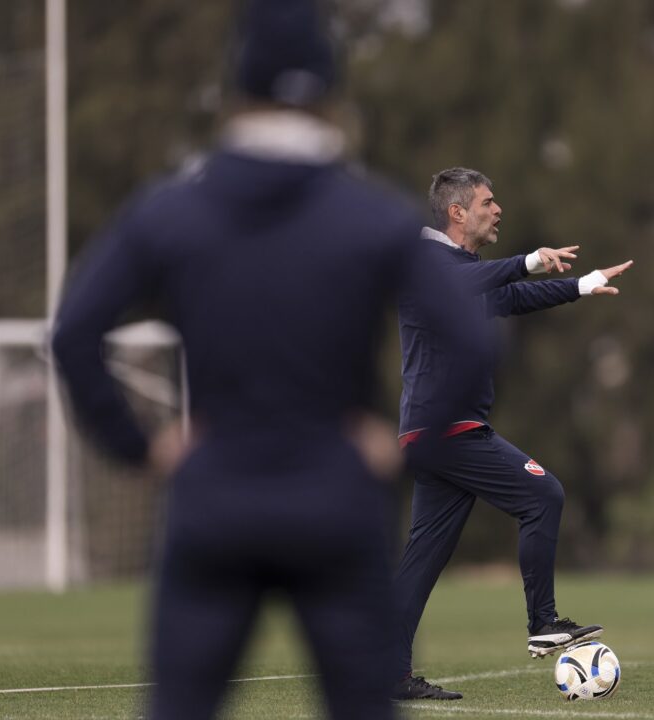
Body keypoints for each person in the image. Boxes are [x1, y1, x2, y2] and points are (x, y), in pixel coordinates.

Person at [50, 4, 487, 719]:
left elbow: (73, 335)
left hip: (215, 497)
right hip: (336, 501)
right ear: (333, 100)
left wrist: (144, 447)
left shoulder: (171, 210)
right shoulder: (372, 213)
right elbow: (471, 340)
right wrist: (406, 449)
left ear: (233, 92)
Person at [392, 167, 633, 701]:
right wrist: (527, 260)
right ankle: (543, 621)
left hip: (433, 435)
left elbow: (512, 299)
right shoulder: (429, 263)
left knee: (423, 557)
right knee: (543, 493)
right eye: (486, 202)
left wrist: (582, 284)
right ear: (457, 212)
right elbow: (473, 283)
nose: (497, 210)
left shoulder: (465, 271)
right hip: (449, 429)